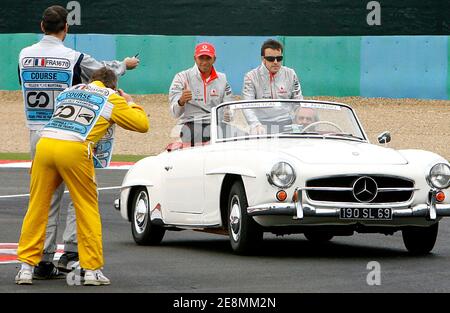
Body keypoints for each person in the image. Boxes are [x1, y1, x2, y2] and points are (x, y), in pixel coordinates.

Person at [17, 5, 140, 278]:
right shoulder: (74, 57)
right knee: (80, 196)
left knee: (43, 200)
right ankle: (72, 253)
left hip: (38, 134)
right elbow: (103, 72)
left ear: (41, 26)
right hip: (73, 130)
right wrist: (125, 65)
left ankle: (41, 259)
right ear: (66, 28)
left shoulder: (24, 55)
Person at [15, 68, 149, 286]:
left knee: (38, 206)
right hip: (75, 148)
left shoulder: (71, 90)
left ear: (92, 80)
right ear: (112, 86)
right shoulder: (112, 97)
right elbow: (142, 125)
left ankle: (26, 268)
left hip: (45, 145)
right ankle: (91, 270)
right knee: (86, 208)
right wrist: (131, 102)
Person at [169, 42, 233, 145]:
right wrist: (181, 101)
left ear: (214, 59)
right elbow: (174, 113)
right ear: (195, 58)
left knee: (245, 137)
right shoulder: (181, 77)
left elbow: (229, 109)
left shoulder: (223, 79)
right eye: (201, 58)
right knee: (202, 135)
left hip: (216, 125)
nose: (204, 62)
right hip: (190, 124)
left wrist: (228, 114)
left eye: (208, 58)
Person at [242, 39, 303, 134]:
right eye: (271, 59)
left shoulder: (291, 73)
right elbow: (247, 105)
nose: (275, 62)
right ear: (263, 59)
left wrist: (298, 122)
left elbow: (298, 102)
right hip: (262, 125)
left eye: (279, 58)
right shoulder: (251, 76)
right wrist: (255, 125)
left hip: (287, 123)